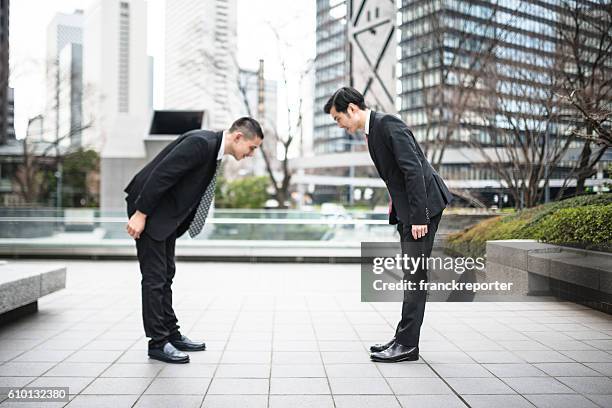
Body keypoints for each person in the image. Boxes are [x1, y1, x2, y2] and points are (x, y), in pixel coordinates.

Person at [324, 87, 452, 363]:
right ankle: (403, 338)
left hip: (424, 209)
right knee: (411, 275)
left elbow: (413, 170)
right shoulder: (373, 132)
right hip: (411, 211)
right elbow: (397, 176)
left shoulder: (387, 124)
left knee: (415, 277)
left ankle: (407, 345)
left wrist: (419, 217)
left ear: (352, 109)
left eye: (338, 118)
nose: (340, 125)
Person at [124, 117, 264, 363]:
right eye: (252, 148)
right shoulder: (201, 143)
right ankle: (157, 343)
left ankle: (171, 334)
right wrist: (140, 214)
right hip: (149, 210)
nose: (252, 154)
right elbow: (161, 176)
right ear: (238, 137)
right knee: (155, 278)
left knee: (166, 273)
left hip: (164, 215)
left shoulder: (213, 149)